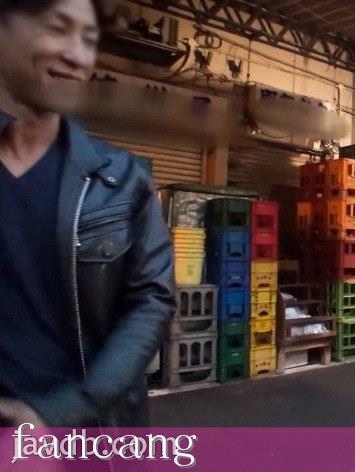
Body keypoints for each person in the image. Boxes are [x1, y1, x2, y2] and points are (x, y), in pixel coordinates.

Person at [0, 0, 175, 427]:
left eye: (89, 40)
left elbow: (151, 301)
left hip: (87, 435)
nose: (79, 57)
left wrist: (65, 410)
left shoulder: (122, 181)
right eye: (58, 29)